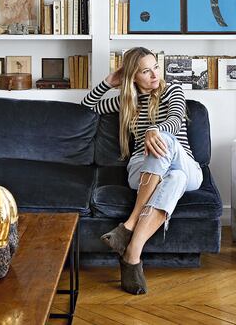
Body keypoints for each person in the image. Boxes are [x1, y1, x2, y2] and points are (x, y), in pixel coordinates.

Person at [81, 46, 203, 295]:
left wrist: (154, 130)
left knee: (169, 149)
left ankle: (128, 227)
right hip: (142, 168)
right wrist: (108, 82)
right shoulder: (126, 101)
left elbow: (176, 118)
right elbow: (86, 108)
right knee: (174, 178)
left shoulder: (173, 91)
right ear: (133, 77)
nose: (154, 75)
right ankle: (132, 256)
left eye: (155, 67)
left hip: (185, 164)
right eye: (146, 72)